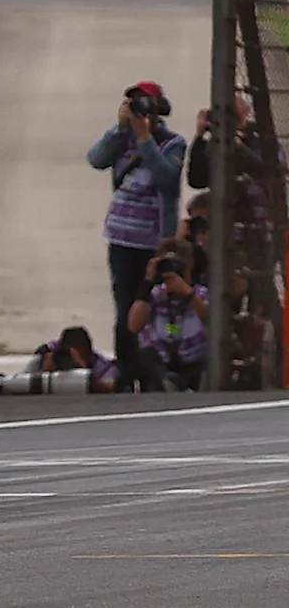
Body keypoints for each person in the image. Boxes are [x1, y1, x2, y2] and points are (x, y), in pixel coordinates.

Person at [90, 82, 186, 391]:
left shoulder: (172, 143)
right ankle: (125, 370)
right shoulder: (122, 140)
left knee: (153, 307)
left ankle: (153, 371)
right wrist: (120, 130)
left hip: (154, 239)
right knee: (124, 306)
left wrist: (145, 138)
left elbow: (166, 179)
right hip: (122, 237)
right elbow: (96, 159)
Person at [128, 252, 208, 392]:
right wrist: (147, 283)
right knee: (145, 354)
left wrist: (187, 293)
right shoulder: (154, 295)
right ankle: (169, 380)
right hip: (161, 361)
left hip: (192, 359)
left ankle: (179, 384)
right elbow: (133, 326)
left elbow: (211, 319)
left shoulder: (201, 294)